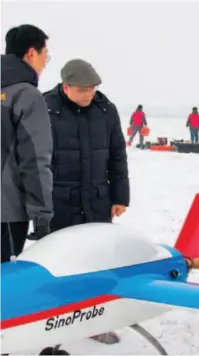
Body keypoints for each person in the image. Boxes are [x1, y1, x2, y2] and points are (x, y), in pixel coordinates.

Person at [43, 59, 130, 344]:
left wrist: (120, 196)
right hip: (59, 202)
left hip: (97, 200)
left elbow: (117, 155)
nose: (88, 95)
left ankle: (94, 321)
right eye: (82, 90)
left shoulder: (106, 110)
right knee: (59, 264)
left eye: (92, 89)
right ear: (65, 86)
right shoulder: (45, 108)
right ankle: (54, 321)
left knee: (96, 263)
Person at [1, 24, 53, 263]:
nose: (45, 63)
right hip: (7, 214)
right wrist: (42, 215)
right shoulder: (27, 96)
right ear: (31, 53)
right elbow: (34, 160)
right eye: (46, 56)